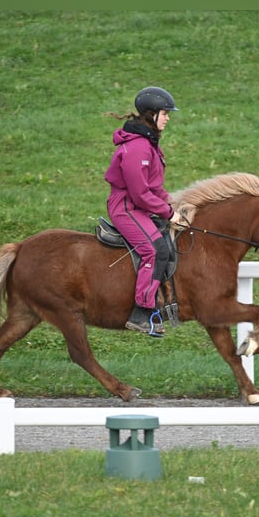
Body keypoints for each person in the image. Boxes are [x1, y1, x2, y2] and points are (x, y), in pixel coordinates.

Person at [104, 86, 184, 336]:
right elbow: (139, 193)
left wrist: (173, 206)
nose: (168, 117)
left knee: (166, 243)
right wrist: (168, 214)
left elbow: (154, 187)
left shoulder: (149, 144)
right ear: (151, 114)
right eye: (165, 113)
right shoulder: (138, 147)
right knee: (154, 250)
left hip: (138, 205)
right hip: (126, 207)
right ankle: (141, 312)